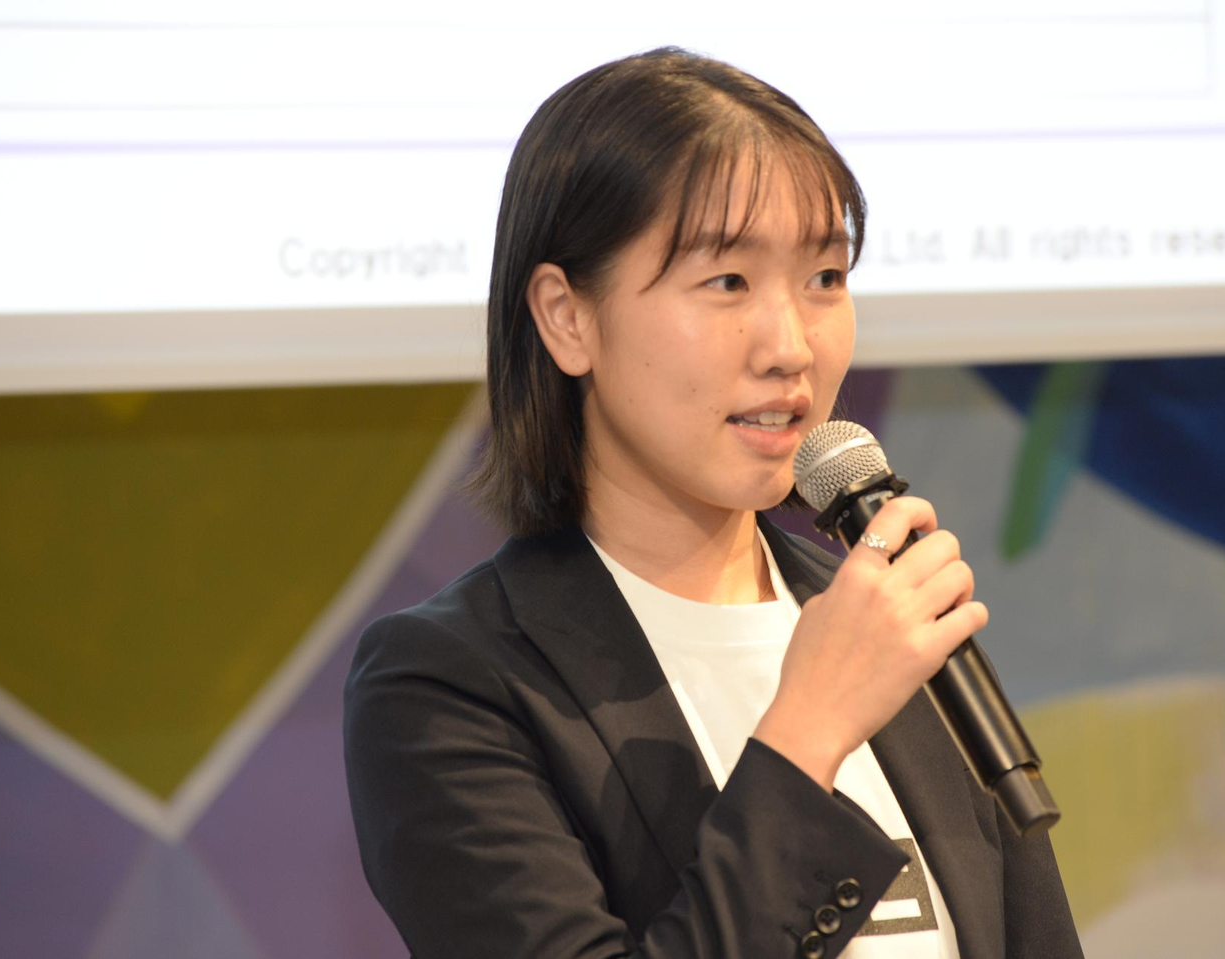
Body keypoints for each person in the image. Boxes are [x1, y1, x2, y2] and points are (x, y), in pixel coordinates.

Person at [343, 47, 1081, 959]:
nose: (790, 346)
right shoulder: (449, 684)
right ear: (568, 316)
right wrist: (810, 728)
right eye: (728, 281)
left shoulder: (888, 619)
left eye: (825, 278)